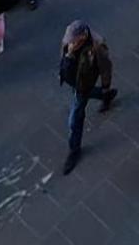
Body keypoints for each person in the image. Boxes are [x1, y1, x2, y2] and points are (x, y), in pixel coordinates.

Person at [58, 21, 117, 175]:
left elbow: (105, 68)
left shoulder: (97, 46)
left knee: (74, 119)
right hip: (75, 80)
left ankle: (74, 149)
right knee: (85, 94)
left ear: (83, 36)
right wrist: (69, 55)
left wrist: (106, 85)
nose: (70, 43)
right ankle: (105, 96)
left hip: (83, 84)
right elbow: (64, 61)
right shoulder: (69, 42)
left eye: (73, 40)